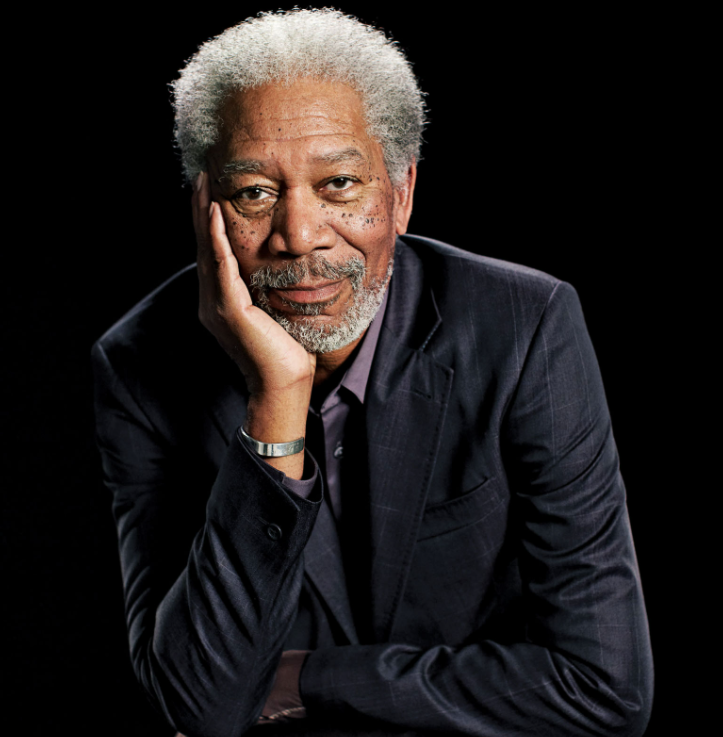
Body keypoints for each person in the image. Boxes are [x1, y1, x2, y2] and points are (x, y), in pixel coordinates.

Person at [92, 9, 653, 736]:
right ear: (206, 209)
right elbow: (201, 703)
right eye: (254, 192)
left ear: (401, 192)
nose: (299, 236)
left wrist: (310, 679)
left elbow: (605, 687)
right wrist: (275, 398)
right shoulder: (138, 365)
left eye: (338, 183)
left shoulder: (523, 327)